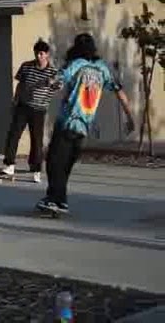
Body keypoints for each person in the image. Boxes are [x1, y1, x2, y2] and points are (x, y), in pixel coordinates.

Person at [37, 33, 135, 214]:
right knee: (65, 164)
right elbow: (119, 91)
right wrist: (130, 117)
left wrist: (46, 81)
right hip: (83, 127)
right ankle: (61, 200)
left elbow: (57, 80)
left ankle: (54, 199)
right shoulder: (102, 69)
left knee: (54, 162)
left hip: (67, 122)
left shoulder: (76, 65)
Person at [0, 39, 60, 182]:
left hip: (39, 109)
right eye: (37, 53)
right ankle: (9, 164)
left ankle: (36, 169)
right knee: (13, 134)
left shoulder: (53, 72)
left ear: (47, 55)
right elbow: (20, 85)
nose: (39, 56)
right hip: (23, 106)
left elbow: (58, 86)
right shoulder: (26, 66)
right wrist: (15, 100)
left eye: (41, 54)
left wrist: (52, 83)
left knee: (36, 140)